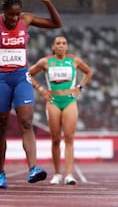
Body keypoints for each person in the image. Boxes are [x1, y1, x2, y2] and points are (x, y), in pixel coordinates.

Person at [0, 0, 62, 188]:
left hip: (20, 76)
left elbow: (56, 24)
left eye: (16, 15)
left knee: (26, 122)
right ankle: (1, 173)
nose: (14, 19)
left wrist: (48, 2)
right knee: (1, 127)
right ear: (4, 13)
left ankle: (33, 168)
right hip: (1, 78)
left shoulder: (26, 19)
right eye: (10, 15)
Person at [29, 35, 92, 185]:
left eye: (64, 43)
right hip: (53, 101)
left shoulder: (74, 60)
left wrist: (79, 88)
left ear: (67, 47)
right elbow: (28, 74)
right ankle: (57, 174)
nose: (61, 46)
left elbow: (88, 72)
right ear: (53, 47)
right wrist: (40, 89)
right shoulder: (46, 61)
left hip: (70, 100)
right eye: (58, 43)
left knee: (69, 139)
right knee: (55, 139)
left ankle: (69, 174)